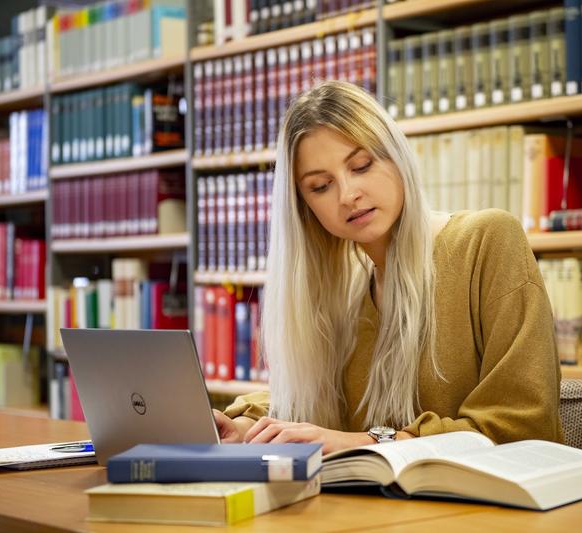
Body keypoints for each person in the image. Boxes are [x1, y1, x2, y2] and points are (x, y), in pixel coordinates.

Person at [213, 80, 563, 453]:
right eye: (320, 186)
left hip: (487, 505)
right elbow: (309, 398)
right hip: (374, 507)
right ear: (305, 209)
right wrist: (247, 425)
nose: (348, 195)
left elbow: (523, 424)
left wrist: (365, 442)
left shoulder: (486, 241)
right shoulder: (343, 289)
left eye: (361, 165)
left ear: (397, 156)